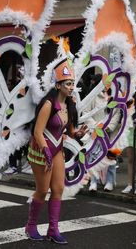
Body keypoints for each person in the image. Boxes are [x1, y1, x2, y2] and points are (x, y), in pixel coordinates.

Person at [24, 53, 87, 244]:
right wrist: (45, 151)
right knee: (42, 190)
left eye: (72, 83)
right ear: (58, 85)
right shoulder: (48, 104)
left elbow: (69, 130)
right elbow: (37, 132)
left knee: (58, 189)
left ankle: (53, 229)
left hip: (57, 150)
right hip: (40, 151)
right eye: (67, 83)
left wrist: (78, 133)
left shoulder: (69, 104)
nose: (71, 87)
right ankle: (31, 226)